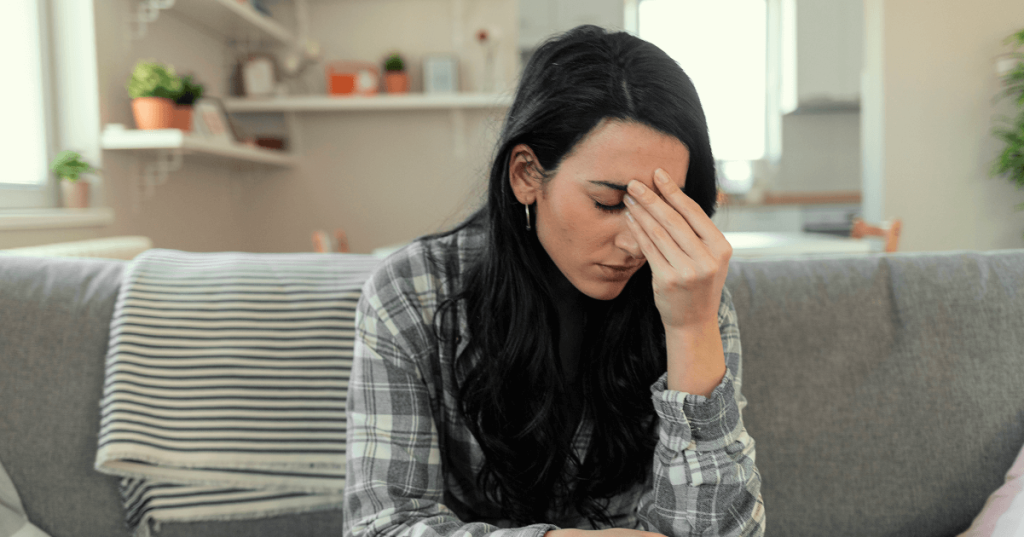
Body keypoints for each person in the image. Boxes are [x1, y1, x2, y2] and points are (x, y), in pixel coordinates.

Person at [343, 24, 764, 537]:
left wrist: (692, 328)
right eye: (608, 204)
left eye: (662, 211)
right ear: (525, 175)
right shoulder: (412, 295)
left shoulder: (688, 291)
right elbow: (381, 526)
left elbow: (720, 533)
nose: (637, 244)